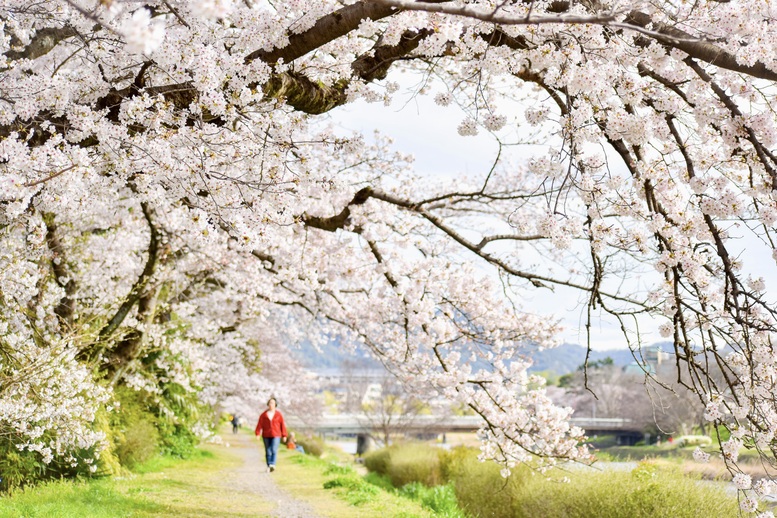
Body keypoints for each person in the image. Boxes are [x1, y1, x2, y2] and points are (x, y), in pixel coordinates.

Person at [255, 397, 287, 472]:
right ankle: (269, 465)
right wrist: (257, 433)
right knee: (268, 451)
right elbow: (259, 424)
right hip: (266, 435)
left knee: (273, 449)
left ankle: (273, 463)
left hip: (276, 435)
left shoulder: (278, 415)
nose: (271, 404)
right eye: (270, 403)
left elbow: (282, 425)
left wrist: (284, 435)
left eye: (272, 403)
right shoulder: (264, 415)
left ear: (275, 404)